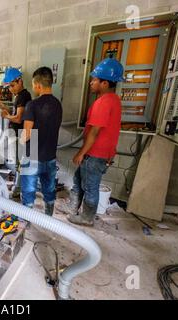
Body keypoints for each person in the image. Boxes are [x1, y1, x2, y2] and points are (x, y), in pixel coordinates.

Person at [64, 58, 124, 226]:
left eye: (95, 80)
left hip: (95, 154)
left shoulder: (104, 102)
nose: (91, 82)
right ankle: (73, 207)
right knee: (78, 180)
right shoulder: (114, 100)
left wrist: (81, 153)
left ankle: (87, 218)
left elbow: (95, 132)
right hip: (100, 153)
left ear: (104, 83)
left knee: (90, 186)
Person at [20, 67, 62, 216]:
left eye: (32, 84)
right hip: (50, 157)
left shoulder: (32, 105)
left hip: (32, 157)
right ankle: (48, 218)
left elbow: (27, 134)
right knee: (49, 191)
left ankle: (27, 223)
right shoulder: (58, 104)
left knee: (28, 193)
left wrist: (20, 142)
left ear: (37, 85)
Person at [0, 68, 32, 198]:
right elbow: (15, 113)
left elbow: (18, 118)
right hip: (17, 133)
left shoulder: (23, 96)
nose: (10, 89)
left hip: (20, 133)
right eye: (9, 86)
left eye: (12, 85)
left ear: (20, 81)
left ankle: (18, 190)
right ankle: (18, 186)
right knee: (19, 161)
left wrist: (6, 116)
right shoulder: (19, 96)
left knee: (20, 162)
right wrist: (5, 109)